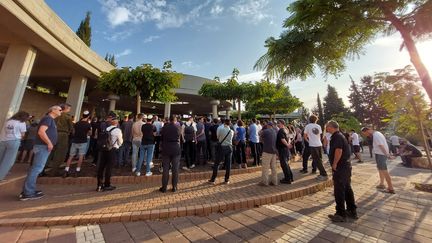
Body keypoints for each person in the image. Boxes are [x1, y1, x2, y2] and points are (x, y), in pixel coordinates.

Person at [20, 105, 62, 200]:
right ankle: (28, 193)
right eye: (59, 110)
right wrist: (49, 143)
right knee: (37, 168)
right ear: (53, 110)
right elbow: (41, 132)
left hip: (43, 146)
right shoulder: (48, 119)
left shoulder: (50, 120)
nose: (61, 111)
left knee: (36, 168)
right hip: (42, 146)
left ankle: (29, 190)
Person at [326, 120, 357, 222]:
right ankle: (351, 210)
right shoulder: (340, 135)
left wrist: (334, 164)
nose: (326, 128)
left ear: (331, 127)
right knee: (347, 188)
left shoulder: (337, 136)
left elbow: (338, 150)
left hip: (341, 167)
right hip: (345, 167)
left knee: (339, 190)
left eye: (327, 126)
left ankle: (340, 214)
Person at [361, 127, 395, 194]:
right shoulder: (377, 133)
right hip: (379, 154)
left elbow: (381, 145)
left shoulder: (376, 135)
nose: (366, 135)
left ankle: (391, 188)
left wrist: (387, 155)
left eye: (365, 133)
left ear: (368, 130)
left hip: (381, 154)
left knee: (384, 170)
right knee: (380, 169)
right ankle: (382, 184)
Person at [0, 111, 30, 181]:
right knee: (8, 160)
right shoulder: (21, 123)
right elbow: (23, 134)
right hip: (14, 141)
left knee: (1, 157)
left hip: (3, 140)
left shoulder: (8, 121)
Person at [97, 115, 123, 192]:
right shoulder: (118, 130)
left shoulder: (106, 129)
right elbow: (120, 141)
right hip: (112, 150)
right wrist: (118, 145)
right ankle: (107, 184)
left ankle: (99, 184)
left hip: (104, 149)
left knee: (101, 167)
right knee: (109, 167)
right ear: (117, 123)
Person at [63, 111, 92, 177]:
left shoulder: (77, 123)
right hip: (83, 141)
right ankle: (77, 170)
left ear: (82, 115)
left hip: (75, 141)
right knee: (81, 156)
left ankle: (66, 170)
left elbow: (73, 131)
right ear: (88, 116)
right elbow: (90, 133)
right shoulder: (88, 124)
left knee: (71, 156)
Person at [48, 103, 73, 176]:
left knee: (50, 151)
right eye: (69, 108)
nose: (69, 110)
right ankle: (53, 171)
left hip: (53, 133)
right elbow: (71, 128)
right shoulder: (67, 117)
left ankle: (43, 169)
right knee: (60, 153)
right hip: (63, 135)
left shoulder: (55, 115)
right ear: (66, 108)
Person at [160, 115, 181, 193]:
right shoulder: (178, 127)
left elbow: (161, 138)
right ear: (175, 120)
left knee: (165, 169)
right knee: (175, 169)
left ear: (169, 120)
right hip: (175, 148)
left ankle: (164, 187)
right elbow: (179, 137)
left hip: (166, 148)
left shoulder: (165, 127)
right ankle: (174, 187)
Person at [209, 119, 234, 185]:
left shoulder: (220, 129)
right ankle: (226, 179)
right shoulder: (231, 131)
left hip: (222, 147)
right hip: (229, 148)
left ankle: (213, 179)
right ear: (230, 124)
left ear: (224, 123)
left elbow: (218, 137)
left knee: (217, 164)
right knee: (228, 164)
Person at [304, 115, 328, 180]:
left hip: (313, 145)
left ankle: (324, 174)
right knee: (319, 160)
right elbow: (320, 136)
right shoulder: (318, 126)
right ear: (316, 120)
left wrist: (309, 141)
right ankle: (321, 173)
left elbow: (305, 136)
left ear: (309, 119)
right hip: (319, 144)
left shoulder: (308, 126)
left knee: (317, 160)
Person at [276, 120, 294, 184]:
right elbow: (289, 138)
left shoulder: (281, 130)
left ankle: (287, 179)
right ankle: (290, 177)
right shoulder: (286, 130)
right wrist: (288, 144)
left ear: (282, 124)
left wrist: (287, 145)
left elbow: (282, 139)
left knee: (284, 164)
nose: (277, 124)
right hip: (285, 149)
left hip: (282, 149)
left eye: (279, 123)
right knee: (286, 164)